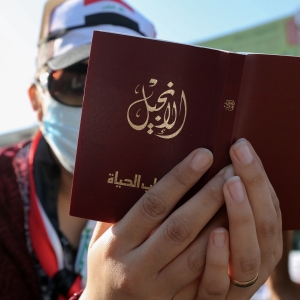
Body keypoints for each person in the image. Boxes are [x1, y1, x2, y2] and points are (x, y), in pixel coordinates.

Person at [0, 0, 282, 299]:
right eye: (75, 81)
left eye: (128, 84)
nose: (100, 105)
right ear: (37, 102)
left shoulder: (193, 199)